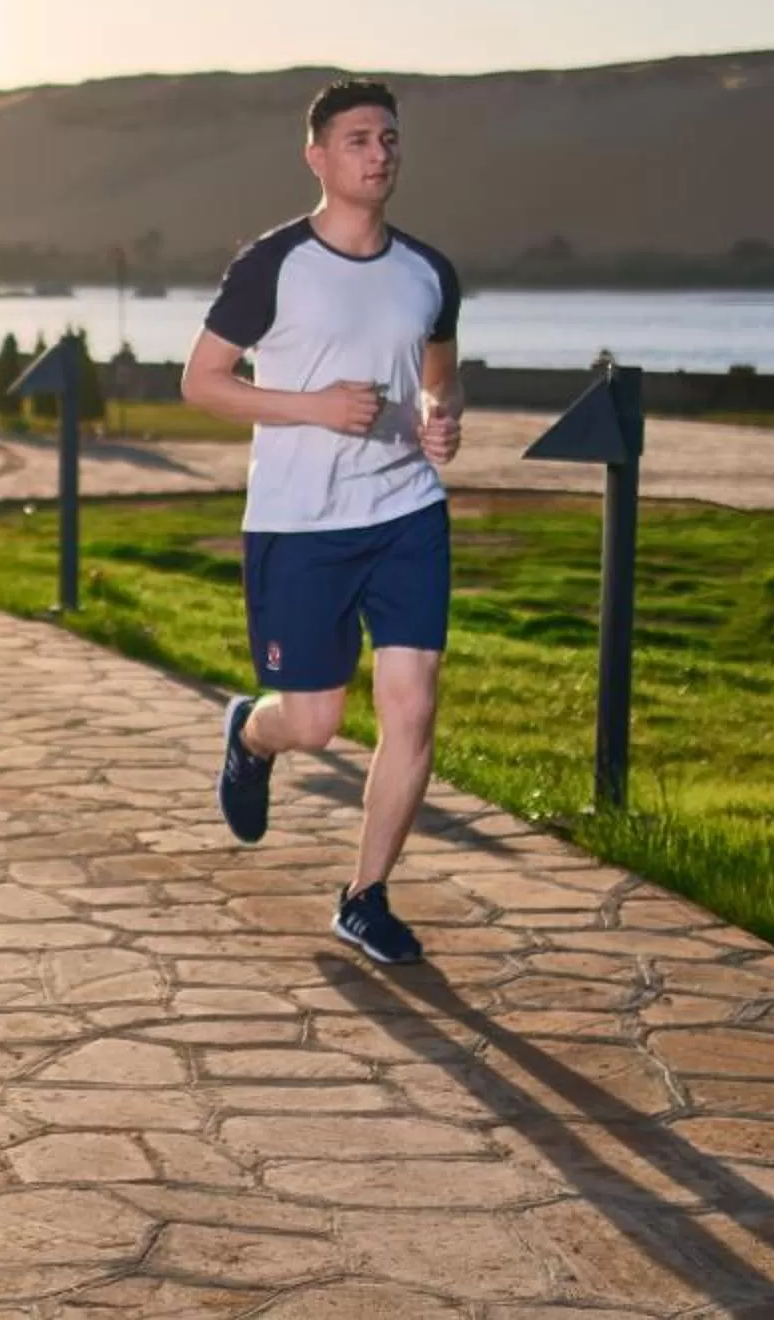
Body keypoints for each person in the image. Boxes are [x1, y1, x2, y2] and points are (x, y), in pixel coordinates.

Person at [180, 78, 463, 965]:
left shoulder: (429, 272)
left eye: (389, 138)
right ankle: (251, 734)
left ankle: (365, 896)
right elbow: (201, 382)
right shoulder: (274, 264)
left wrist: (443, 417)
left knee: (413, 706)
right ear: (317, 157)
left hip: (407, 511)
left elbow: (441, 374)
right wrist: (312, 406)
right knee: (313, 724)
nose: (379, 154)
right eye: (357, 140)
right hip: (300, 523)